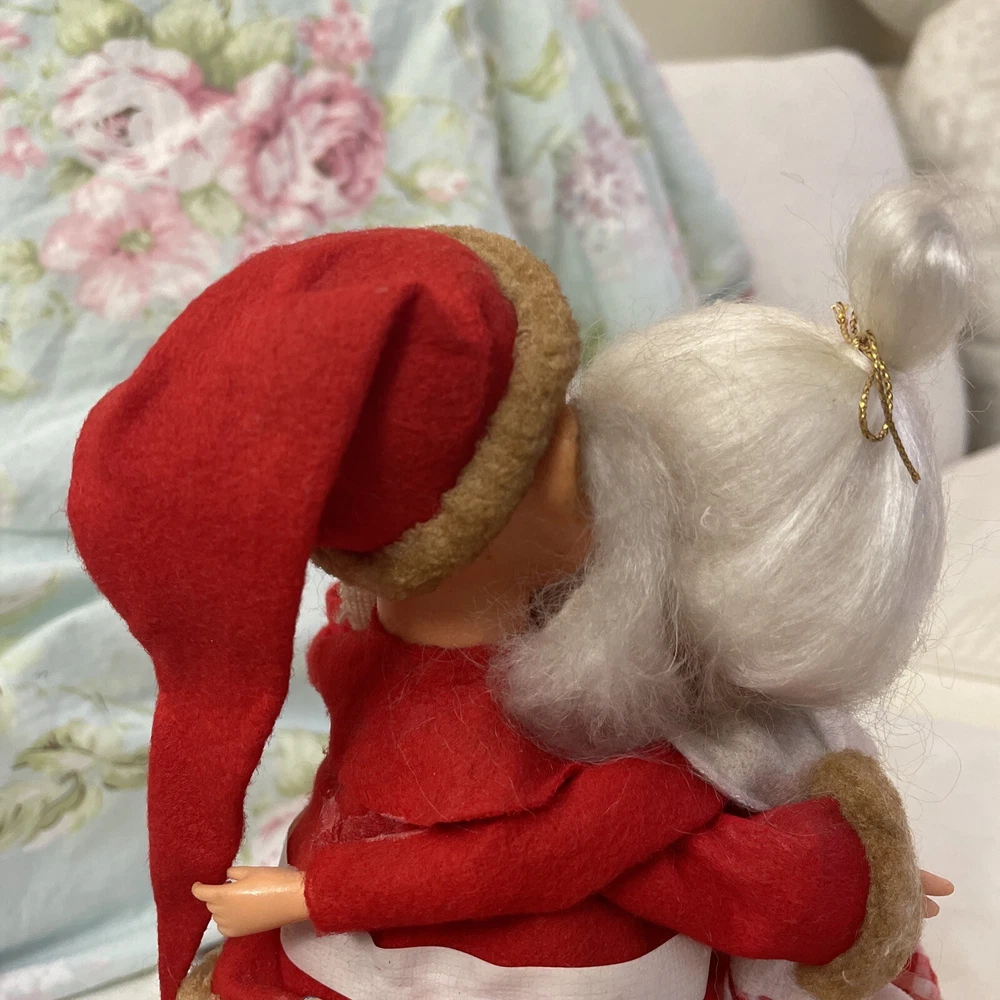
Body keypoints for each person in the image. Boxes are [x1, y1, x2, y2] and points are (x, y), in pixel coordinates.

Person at [68, 181, 966, 1000]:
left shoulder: (567, 706)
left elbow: (546, 858)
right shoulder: (465, 676)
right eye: (550, 448)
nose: (590, 448)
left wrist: (314, 892)